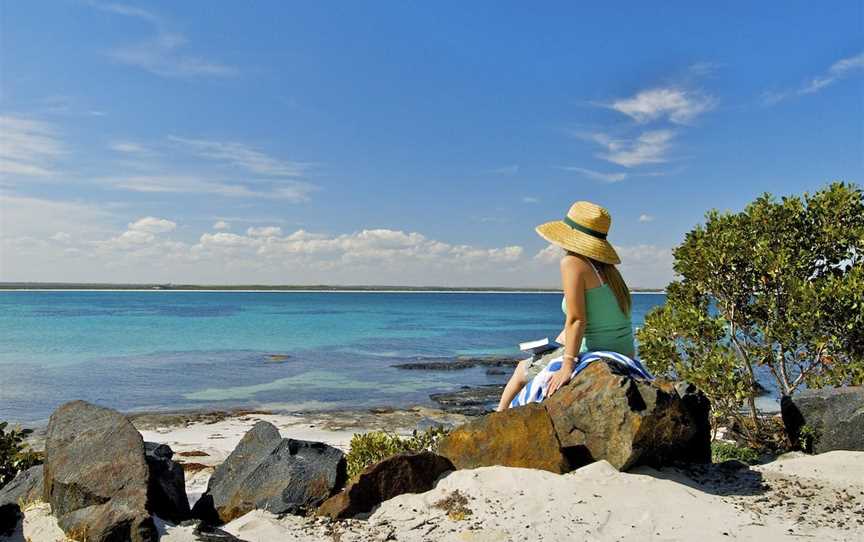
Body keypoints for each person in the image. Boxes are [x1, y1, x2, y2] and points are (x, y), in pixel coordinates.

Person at [496, 201, 635, 411]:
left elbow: (577, 319)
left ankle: (498, 417)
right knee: (548, 350)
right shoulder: (609, 271)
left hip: (597, 352)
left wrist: (567, 365)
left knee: (521, 370)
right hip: (624, 352)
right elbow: (600, 317)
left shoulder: (572, 262)